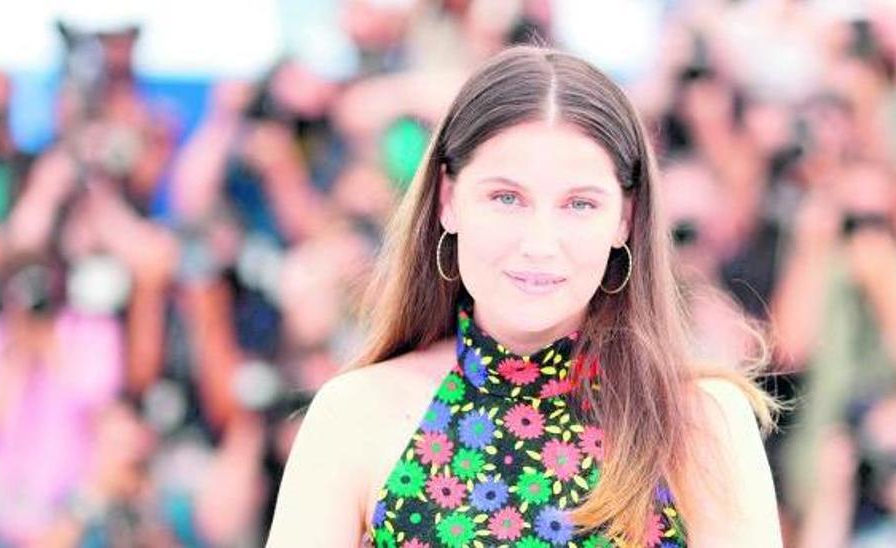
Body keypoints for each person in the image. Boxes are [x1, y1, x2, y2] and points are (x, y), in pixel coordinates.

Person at [268, 45, 784, 546]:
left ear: (624, 219)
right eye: (506, 198)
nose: (539, 244)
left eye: (579, 204)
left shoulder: (701, 422)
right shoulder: (357, 412)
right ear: (448, 199)